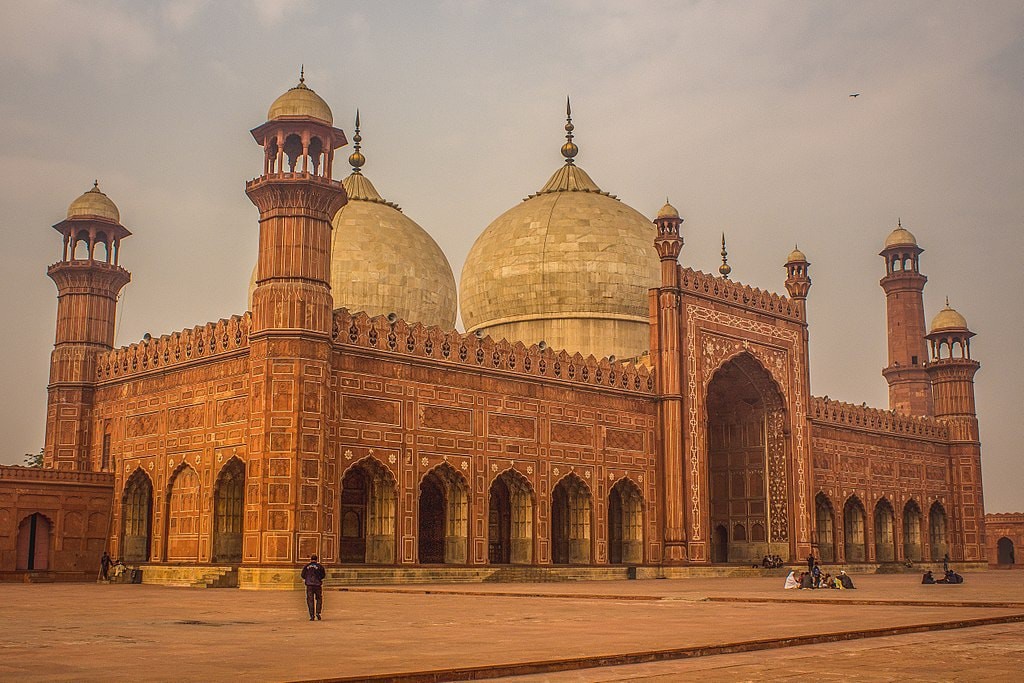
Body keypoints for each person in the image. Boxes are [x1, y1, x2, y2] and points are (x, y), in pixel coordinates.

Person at [301, 554, 326, 621]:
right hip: (317, 585)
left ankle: (312, 615)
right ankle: (318, 612)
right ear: (317, 559)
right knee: (319, 599)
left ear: (310, 559)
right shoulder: (320, 566)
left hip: (309, 585)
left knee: (310, 600)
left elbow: (303, 575)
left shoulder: (306, 566)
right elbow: (323, 575)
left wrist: (307, 579)